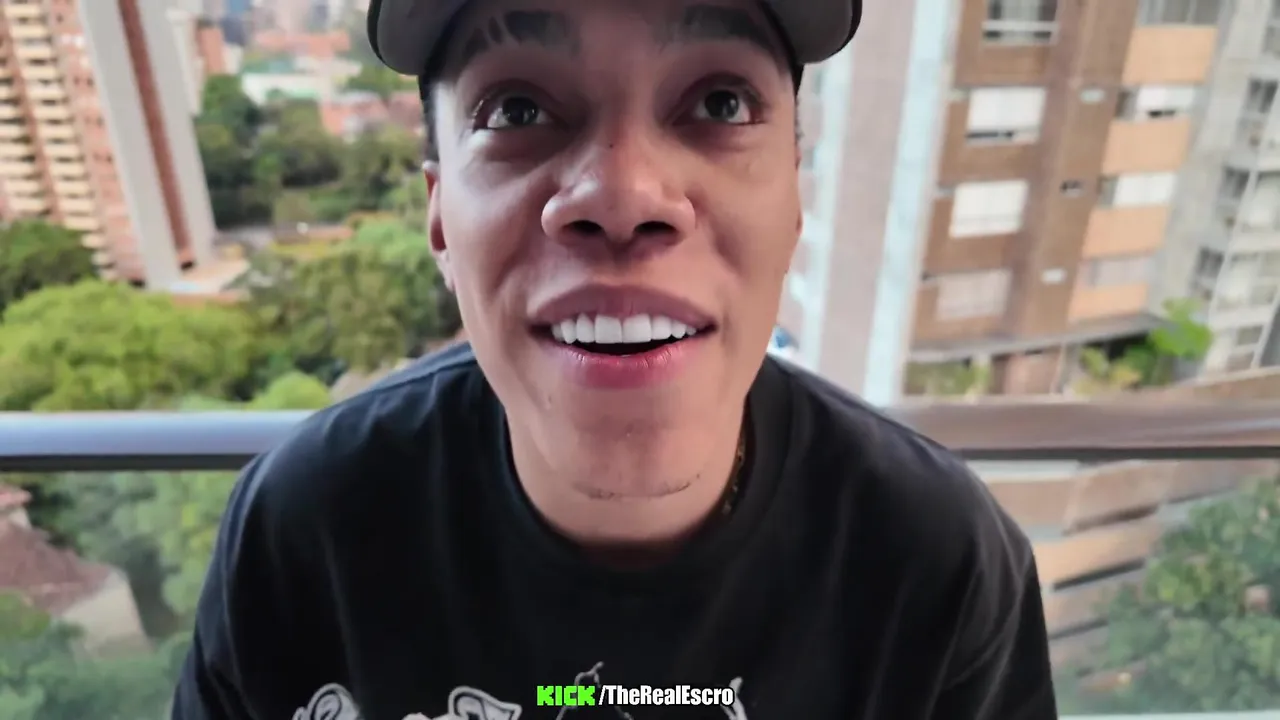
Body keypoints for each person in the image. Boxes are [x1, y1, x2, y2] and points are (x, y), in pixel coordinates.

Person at [171, 0, 1059, 717]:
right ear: (440, 218)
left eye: (720, 104)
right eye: (517, 110)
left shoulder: (936, 563)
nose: (624, 195)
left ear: (794, 199)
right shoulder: (305, 530)